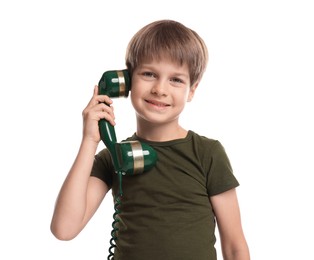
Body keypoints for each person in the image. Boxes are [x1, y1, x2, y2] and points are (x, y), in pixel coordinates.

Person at [50, 19, 250, 260]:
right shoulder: (115, 158)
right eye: (148, 74)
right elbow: (64, 229)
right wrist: (90, 140)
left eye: (176, 79)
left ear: (192, 89)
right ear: (125, 81)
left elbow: (235, 246)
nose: (160, 89)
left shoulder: (207, 153)